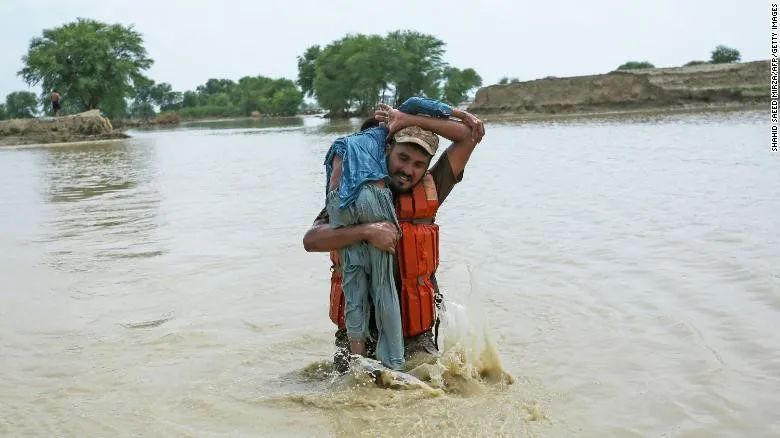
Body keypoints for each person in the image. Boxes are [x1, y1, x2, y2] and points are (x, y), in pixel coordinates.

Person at [303, 99, 485, 371]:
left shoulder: (434, 187)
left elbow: (469, 136)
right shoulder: (356, 192)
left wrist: (409, 119)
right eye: (402, 158)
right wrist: (367, 230)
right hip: (358, 333)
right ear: (387, 149)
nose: (408, 170)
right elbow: (312, 240)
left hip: (415, 336)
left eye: (418, 164)